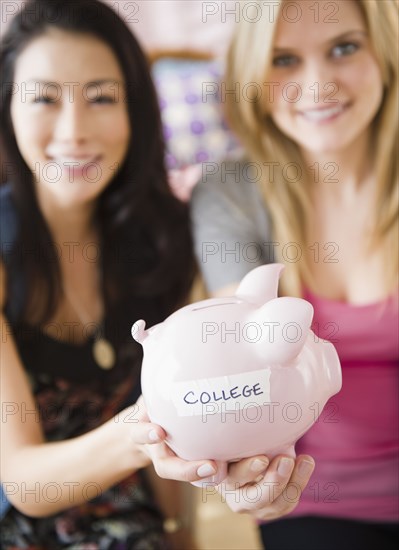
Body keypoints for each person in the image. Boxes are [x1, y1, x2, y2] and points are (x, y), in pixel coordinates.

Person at [0, 0, 225, 547]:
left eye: (101, 97)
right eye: (45, 99)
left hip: (126, 518)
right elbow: (22, 480)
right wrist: (150, 430)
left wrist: (181, 534)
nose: (74, 131)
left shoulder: (165, 238)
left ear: (136, 110)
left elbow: (169, 472)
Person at [190, 1, 399, 549]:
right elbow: (236, 366)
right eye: (283, 59)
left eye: (344, 48)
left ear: (385, 52)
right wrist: (247, 466)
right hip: (315, 503)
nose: (318, 83)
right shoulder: (232, 192)